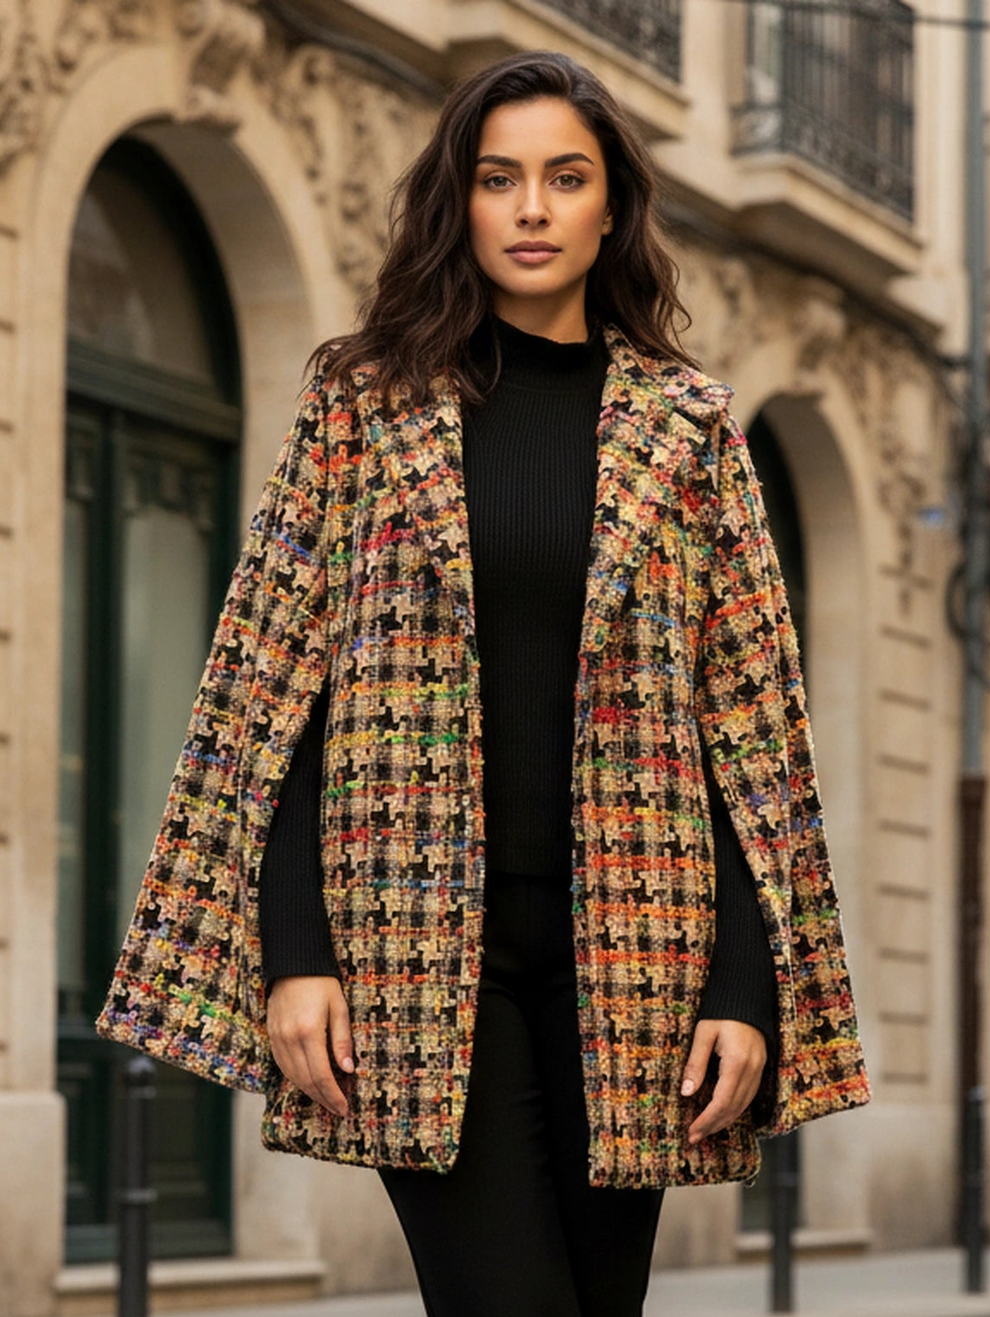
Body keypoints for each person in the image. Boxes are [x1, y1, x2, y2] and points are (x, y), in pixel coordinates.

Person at [97, 50, 869, 1317]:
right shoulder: (362, 407)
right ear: (456, 200)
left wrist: (742, 983)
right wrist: (295, 953)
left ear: (610, 207)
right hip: (410, 945)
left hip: (640, 955)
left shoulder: (690, 432)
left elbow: (752, 740)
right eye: (498, 177)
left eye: (564, 179)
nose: (529, 207)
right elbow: (267, 701)